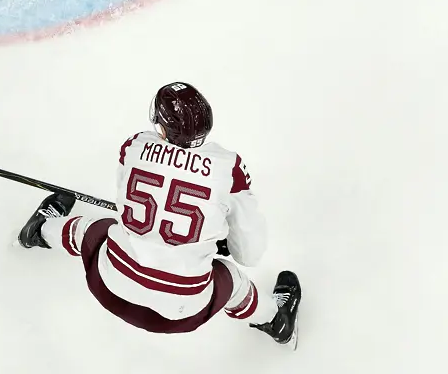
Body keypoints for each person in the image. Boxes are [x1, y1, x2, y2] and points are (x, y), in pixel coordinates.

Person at [16, 83, 302, 347]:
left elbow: (127, 204)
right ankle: (278, 323)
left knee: (95, 228)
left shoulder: (135, 145)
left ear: (162, 127)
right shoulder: (229, 169)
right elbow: (248, 254)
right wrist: (216, 236)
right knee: (234, 280)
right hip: (181, 312)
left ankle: (39, 231)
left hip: (108, 287)